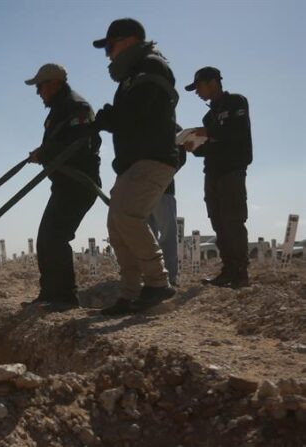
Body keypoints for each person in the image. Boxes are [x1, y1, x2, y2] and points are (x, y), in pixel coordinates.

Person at [91, 18, 179, 315]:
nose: (109, 55)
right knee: (117, 227)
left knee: (128, 217)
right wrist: (110, 119)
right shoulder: (134, 75)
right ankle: (129, 295)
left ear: (128, 41)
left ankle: (157, 283)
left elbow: (138, 112)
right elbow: (129, 113)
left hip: (152, 158)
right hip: (134, 162)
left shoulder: (152, 66)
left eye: (110, 47)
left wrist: (110, 120)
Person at [21, 63, 101, 312]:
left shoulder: (77, 107)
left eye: (41, 86)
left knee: (55, 236)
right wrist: (42, 153)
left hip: (79, 183)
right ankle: (49, 294)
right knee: (46, 239)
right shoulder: (59, 110)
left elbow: (78, 143)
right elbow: (59, 143)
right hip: (65, 184)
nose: (38, 92)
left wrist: (44, 153)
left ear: (55, 83)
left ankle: (65, 297)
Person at [183, 67, 252, 288]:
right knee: (218, 223)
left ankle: (241, 273)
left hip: (232, 171)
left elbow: (236, 131)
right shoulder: (208, 116)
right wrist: (193, 145)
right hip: (212, 173)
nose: (197, 93)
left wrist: (208, 133)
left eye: (199, 87)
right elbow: (207, 148)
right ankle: (228, 270)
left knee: (233, 221)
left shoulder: (236, 102)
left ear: (213, 82)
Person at [147, 146, 186, 286]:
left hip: (163, 189)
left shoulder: (171, 127)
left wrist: (164, 173)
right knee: (146, 237)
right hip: (141, 191)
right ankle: (151, 277)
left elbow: (181, 155)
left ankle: (169, 277)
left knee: (167, 235)